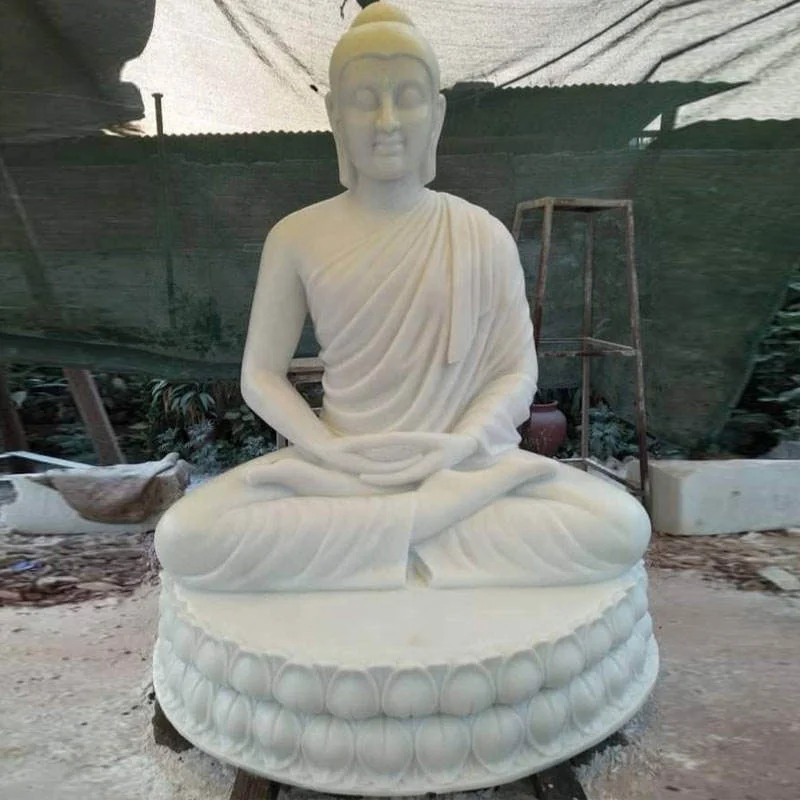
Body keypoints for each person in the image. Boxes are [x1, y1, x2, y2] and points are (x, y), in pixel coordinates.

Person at [155, 3, 650, 592]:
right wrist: (330, 452)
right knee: (186, 537)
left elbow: (516, 371)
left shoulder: (480, 234)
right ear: (335, 114)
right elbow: (261, 376)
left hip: (458, 471)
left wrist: (460, 445)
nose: (387, 120)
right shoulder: (296, 236)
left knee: (619, 525)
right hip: (342, 469)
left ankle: (382, 543)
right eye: (365, 99)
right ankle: (419, 539)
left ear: (436, 116)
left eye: (408, 97)